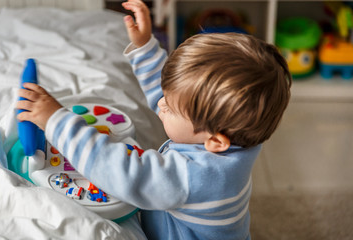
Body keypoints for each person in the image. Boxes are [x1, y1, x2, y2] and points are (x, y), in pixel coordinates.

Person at [16, 0, 292, 239]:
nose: (160, 103)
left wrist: (56, 120)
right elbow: (177, 98)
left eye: (169, 108)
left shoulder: (193, 176)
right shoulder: (232, 139)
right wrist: (145, 47)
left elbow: (119, 170)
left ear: (216, 141)